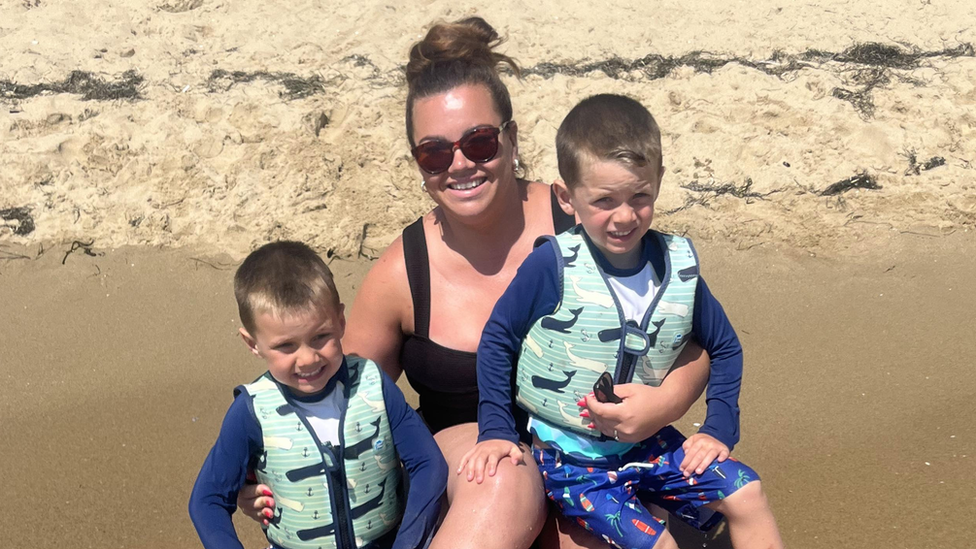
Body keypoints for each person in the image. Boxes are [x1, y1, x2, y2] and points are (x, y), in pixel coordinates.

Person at [238, 18, 714, 549]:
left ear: (509, 139)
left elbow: (695, 342)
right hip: (471, 476)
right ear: (419, 163)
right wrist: (258, 472)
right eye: (435, 152)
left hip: (590, 461)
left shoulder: (583, 220)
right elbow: (325, 387)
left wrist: (664, 404)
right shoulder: (404, 271)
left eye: (480, 142)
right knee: (503, 478)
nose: (460, 164)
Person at [460, 94, 783, 549]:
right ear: (567, 198)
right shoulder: (552, 266)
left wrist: (717, 429)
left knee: (747, 492)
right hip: (571, 460)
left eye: (640, 196)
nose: (625, 216)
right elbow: (498, 340)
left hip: (650, 445)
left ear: (659, 182)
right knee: (659, 544)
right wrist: (495, 429)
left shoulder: (677, 267)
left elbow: (726, 346)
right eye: (604, 200)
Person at [189, 241, 446, 549]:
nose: (308, 358)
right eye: (286, 346)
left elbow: (429, 464)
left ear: (340, 321)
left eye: (321, 337)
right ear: (252, 343)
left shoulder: (374, 386)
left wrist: (408, 543)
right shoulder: (251, 412)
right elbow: (208, 501)